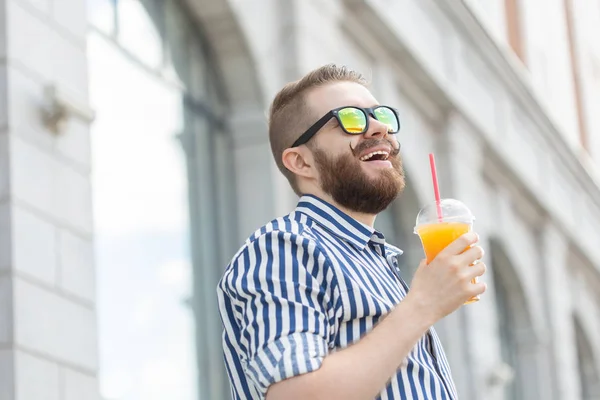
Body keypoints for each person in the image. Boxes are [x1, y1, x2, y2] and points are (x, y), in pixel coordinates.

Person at [216, 64, 487, 400]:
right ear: (300, 162)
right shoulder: (283, 248)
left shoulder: (379, 264)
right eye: (350, 119)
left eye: (381, 116)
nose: (377, 128)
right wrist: (423, 304)